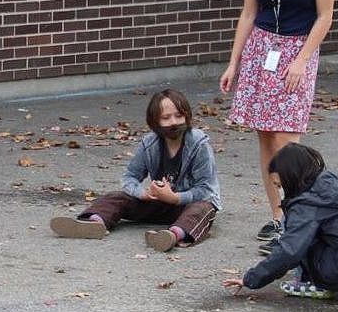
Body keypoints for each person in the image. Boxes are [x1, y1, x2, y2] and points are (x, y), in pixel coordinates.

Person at [219, 0, 336, 253]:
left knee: (288, 141)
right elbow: (248, 13)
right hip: (261, 50)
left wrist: (301, 60)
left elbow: (325, 16)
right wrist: (233, 62)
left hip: (296, 50)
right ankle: (278, 217)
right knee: (266, 138)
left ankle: (300, 219)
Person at [221, 143, 338, 299]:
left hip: (337, 268)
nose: (280, 191)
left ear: (292, 178)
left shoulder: (306, 204)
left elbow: (290, 251)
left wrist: (251, 279)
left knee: (296, 229)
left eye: (280, 185)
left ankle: (318, 284)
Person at [50, 89, 221, 252]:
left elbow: (206, 189)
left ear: (187, 116)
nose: (174, 122)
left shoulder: (199, 144)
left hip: (186, 205)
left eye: (179, 116)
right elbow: (130, 177)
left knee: (203, 208)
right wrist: (143, 194)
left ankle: (172, 236)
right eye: (166, 118)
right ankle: (95, 223)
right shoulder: (150, 144)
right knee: (116, 197)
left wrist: (175, 198)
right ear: (156, 122)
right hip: (160, 203)